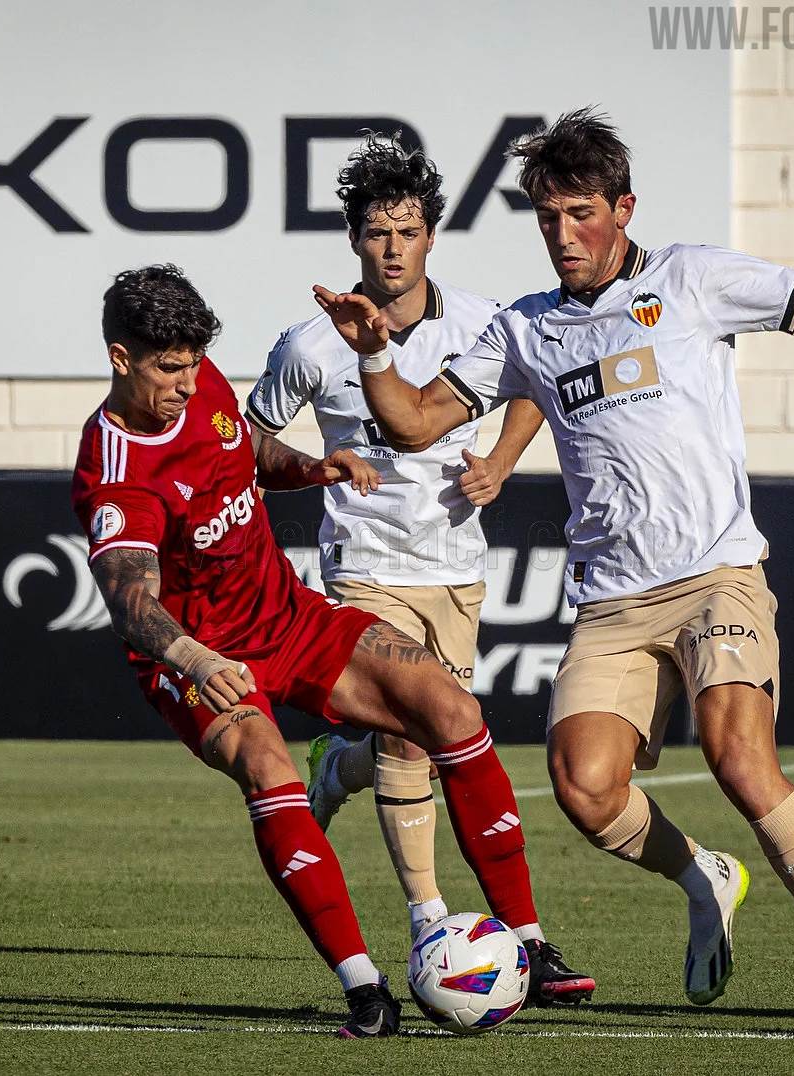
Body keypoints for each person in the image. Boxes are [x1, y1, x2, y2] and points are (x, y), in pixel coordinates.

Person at [313, 108, 794, 1039]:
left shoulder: (694, 280)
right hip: (614, 603)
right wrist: (373, 348)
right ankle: (701, 874)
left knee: (741, 759)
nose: (562, 235)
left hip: (717, 576)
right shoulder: (526, 330)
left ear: (624, 207)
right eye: (546, 217)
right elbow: (416, 422)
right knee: (583, 787)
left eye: (579, 212)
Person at [71, 264, 592, 1038]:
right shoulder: (115, 473)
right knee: (267, 766)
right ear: (122, 359)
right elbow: (128, 601)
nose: (186, 383)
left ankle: (525, 940)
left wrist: (312, 468)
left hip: (287, 617)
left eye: (191, 365)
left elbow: (243, 446)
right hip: (199, 660)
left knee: (450, 708)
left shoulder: (201, 381)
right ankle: (364, 990)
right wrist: (197, 662)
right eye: (167, 368)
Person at [247, 134, 547, 944]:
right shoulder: (309, 342)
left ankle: (336, 766)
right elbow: (246, 441)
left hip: (454, 562)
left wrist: (503, 461)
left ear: (431, 238)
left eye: (406, 232)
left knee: (430, 735)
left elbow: (536, 383)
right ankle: (430, 922)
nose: (391, 248)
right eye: (376, 233)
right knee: (408, 740)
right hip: (365, 564)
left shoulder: (484, 321)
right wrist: (318, 467)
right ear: (353, 239)